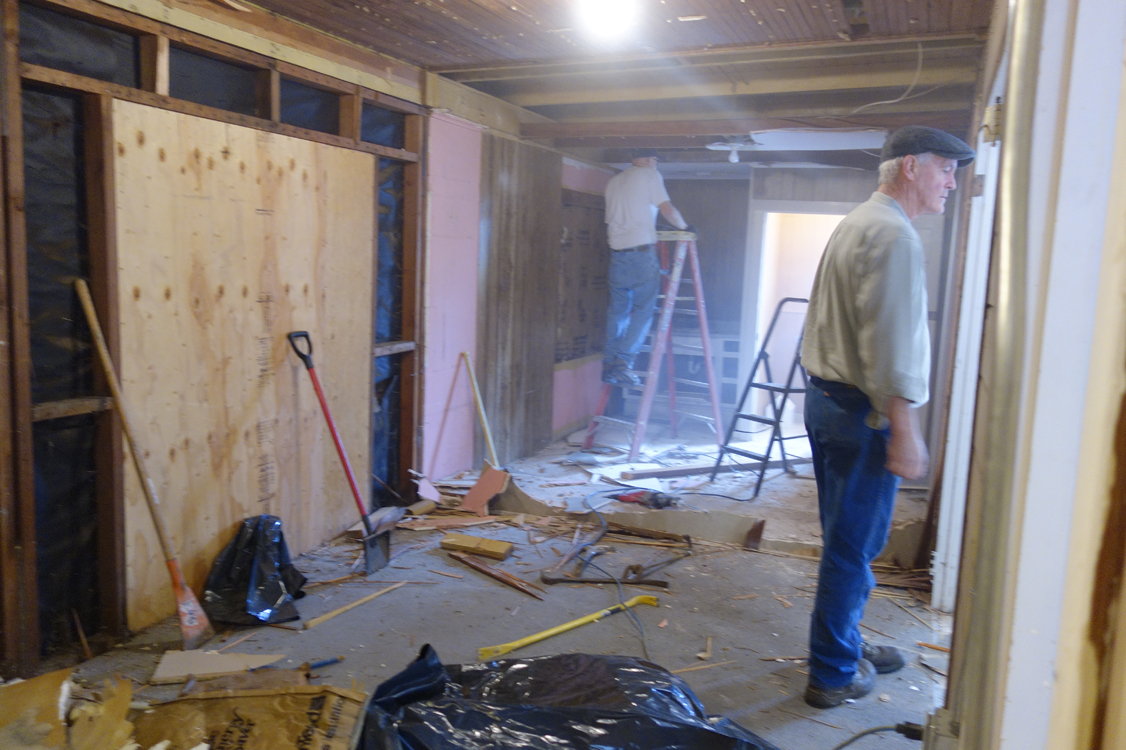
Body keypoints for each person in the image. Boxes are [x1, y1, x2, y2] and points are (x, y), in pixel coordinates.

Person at [800, 126, 975, 709]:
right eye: (945, 168)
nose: (952, 182)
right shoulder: (895, 236)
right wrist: (907, 431)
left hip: (827, 401)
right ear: (910, 167)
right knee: (853, 547)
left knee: (844, 539)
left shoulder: (857, 221)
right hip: (862, 414)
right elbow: (892, 346)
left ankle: (844, 643)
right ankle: (832, 673)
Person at [601, 148, 689, 386]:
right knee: (643, 311)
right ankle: (623, 363)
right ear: (650, 160)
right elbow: (667, 209)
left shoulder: (613, 181)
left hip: (616, 254)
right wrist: (685, 228)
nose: (656, 165)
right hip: (640, 255)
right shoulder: (650, 174)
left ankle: (608, 362)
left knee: (618, 312)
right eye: (656, 161)